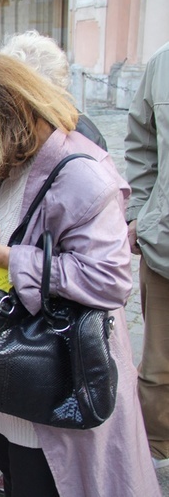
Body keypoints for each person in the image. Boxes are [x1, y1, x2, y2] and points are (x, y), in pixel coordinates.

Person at [0, 52, 159, 496]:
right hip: (9, 397)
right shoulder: (12, 166)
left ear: (2, 120)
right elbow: (10, 239)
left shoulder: (83, 177)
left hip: (51, 405)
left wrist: (4, 258)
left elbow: (110, 281)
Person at [125, 40, 169, 469]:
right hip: (166, 247)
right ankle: (156, 452)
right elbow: (141, 143)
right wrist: (139, 211)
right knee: (158, 368)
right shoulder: (161, 63)